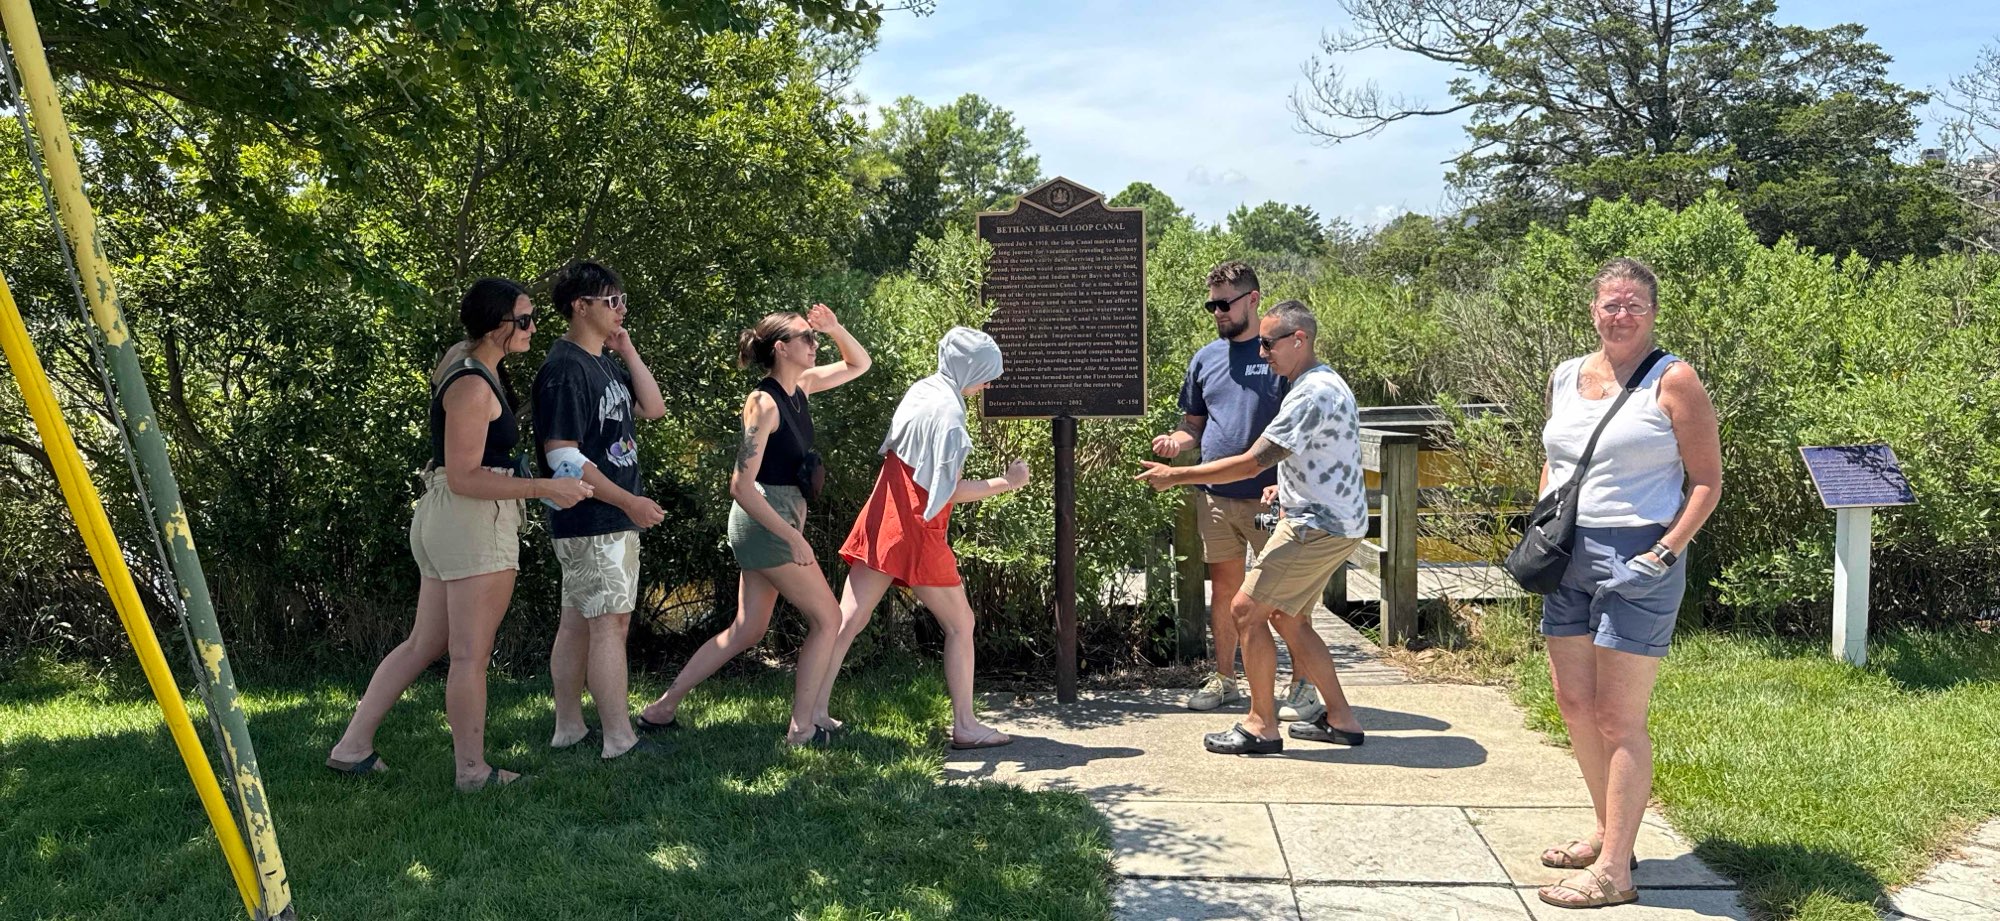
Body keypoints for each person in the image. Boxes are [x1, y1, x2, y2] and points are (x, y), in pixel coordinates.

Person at [326, 278, 593, 791]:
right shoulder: (472, 384)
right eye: (524, 320)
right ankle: (472, 771)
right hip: (472, 518)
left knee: (423, 642)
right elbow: (467, 474)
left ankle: (352, 747)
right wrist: (549, 488)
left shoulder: (464, 359)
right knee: (470, 655)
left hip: (444, 515)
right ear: (496, 326)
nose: (534, 328)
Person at [1530, 258, 1720, 910]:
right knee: (1575, 703)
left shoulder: (1675, 379)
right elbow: (1554, 462)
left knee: (1618, 714)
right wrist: (1541, 528)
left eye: (1634, 303)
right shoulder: (1564, 375)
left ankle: (1615, 873)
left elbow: (1707, 483)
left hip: (1641, 553)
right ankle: (1612, 834)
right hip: (1568, 552)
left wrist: (1666, 552)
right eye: (1611, 303)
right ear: (1593, 309)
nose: (1621, 314)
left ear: (1653, 310)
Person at [1137, 299, 1368, 756]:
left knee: (1244, 610)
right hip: (1334, 521)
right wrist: (1285, 488)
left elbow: (1250, 462)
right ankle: (1341, 720)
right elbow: (1317, 455)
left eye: (1268, 343)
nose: (1262, 353)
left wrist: (1177, 475)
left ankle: (1261, 725)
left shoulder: (1309, 393)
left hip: (1316, 526)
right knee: (1286, 617)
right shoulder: (1322, 383)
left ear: (1298, 340)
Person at [636, 304, 870, 746]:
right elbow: (741, 486)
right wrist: (791, 536)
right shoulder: (763, 403)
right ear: (781, 348)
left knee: (748, 629)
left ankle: (660, 709)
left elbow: (860, 364)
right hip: (766, 522)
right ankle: (802, 728)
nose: (814, 344)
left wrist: (835, 327)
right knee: (828, 618)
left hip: (776, 520)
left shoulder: (800, 386)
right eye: (807, 338)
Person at [811, 327, 1027, 750]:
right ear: (970, 367)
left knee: (845, 622)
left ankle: (813, 713)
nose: (989, 383)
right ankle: (965, 725)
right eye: (986, 373)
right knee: (961, 624)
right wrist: (1008, 481)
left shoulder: (923, 390)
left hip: (883, 517)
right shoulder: (950, 415)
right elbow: (946, 491)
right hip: (917, 530)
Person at [1150, 261, 1317, 719]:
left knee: (1287, 597)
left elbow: (1302, 431)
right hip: (1216, 497)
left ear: (1253, 299)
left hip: (1274, 498)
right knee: (1223, 592)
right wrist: (1175, 443)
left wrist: (1286, 487)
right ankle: (1225, 678)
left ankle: (1302, 686)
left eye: (1226, 303)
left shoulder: (1279, 354)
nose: (1218, 312)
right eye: (1212, 305)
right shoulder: (1204, 359)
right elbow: (1193, 426)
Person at [535, 262, 668, 761]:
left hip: (603, 519)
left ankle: (568, 728)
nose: (621, 309)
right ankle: (619, 738)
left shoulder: (603, 363)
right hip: (595, 517)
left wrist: (627, 349)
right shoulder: (565, 369)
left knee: (578, 621)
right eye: (611, 300)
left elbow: (652, 408)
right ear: (580, 306)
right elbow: (562, 455)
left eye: (622, 299)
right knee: (610, 624)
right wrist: (627, 501)